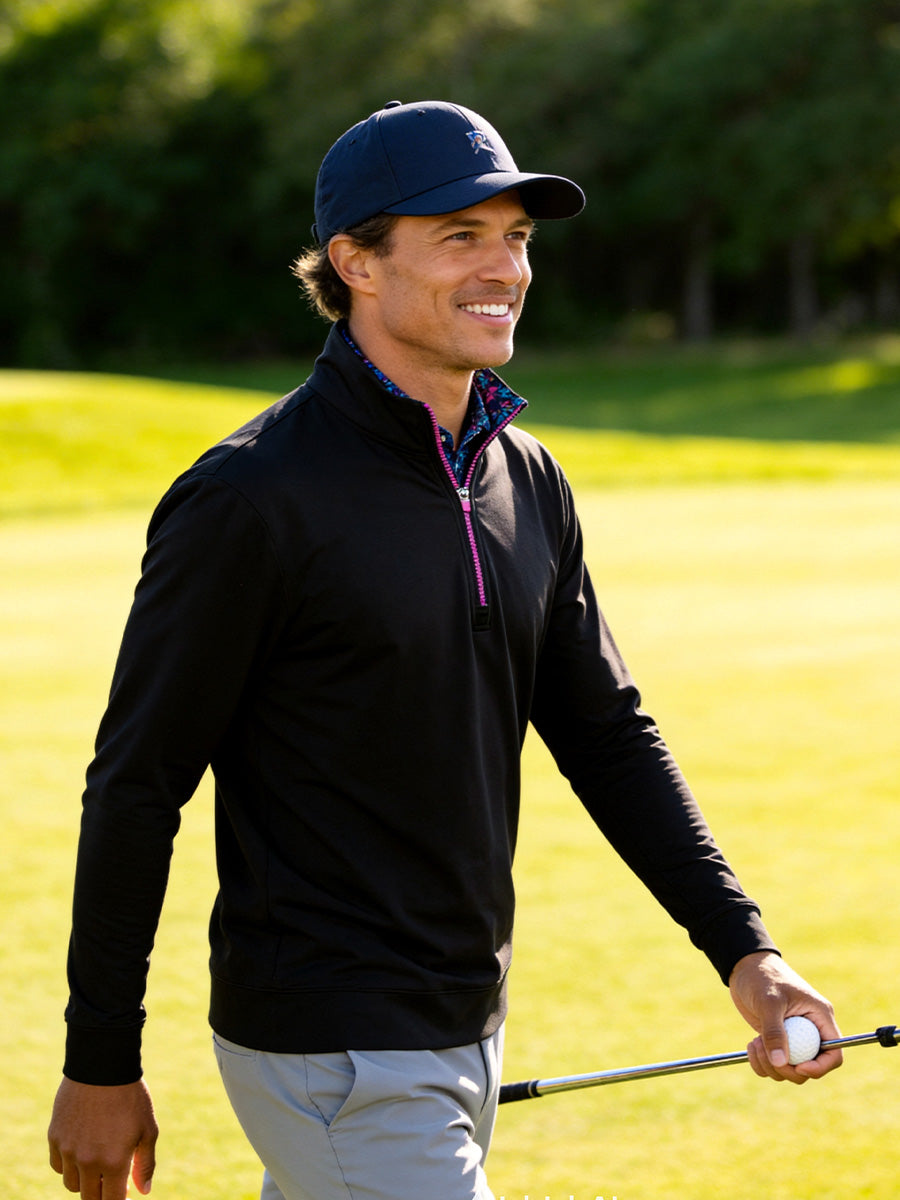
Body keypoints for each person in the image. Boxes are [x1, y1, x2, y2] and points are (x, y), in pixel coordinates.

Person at [48, 100, 841, 1200]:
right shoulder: (251, 498)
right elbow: (137, 784)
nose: (504, 267)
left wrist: (748, 954)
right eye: (460, 235)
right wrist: (100, 1061)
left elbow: (609, 736)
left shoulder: (525, 477)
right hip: (332, 1041)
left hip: (466, 1018)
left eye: (515, 236)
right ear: (355, 264)